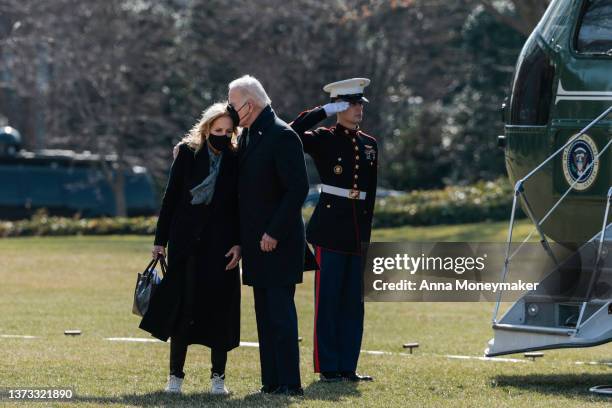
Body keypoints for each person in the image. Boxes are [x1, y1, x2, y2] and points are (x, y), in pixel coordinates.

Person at [138, 102, 242, 395]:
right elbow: (170, 198)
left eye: (227, 130)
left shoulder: (236, 158)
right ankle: (175, 377)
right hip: (186, 245)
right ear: (207, 128)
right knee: (183, 311)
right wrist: (160, 242)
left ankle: (218, 378)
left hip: (221, 247)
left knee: (220, 311)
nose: (222, 135)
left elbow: (238, 207)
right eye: (217, 129)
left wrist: (238, 243)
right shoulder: (186, 153)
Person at [289, 78, 378, 382]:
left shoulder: (369, 144)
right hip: (329, 229)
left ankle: (347, 366)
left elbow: (371, 194)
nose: (357, 110)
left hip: (357, 232)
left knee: (354, 303)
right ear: (340, 106)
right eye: (351, 104)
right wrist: (324, 110)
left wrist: (366, 237)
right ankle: (328, 367)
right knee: (328, 302)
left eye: (359, 104)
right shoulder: (324, 138)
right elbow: (290, 133)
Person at [227, 75, 308, 396]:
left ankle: (289, 383)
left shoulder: (281, 135)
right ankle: (271, 381)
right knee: (264, 314)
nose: (231, 112)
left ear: (250, 104)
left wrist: (274, 231)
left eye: (233, 105)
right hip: (255, 242)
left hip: (278, 242)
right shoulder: (249, 135)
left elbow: (297, 189)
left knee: (280, 313)